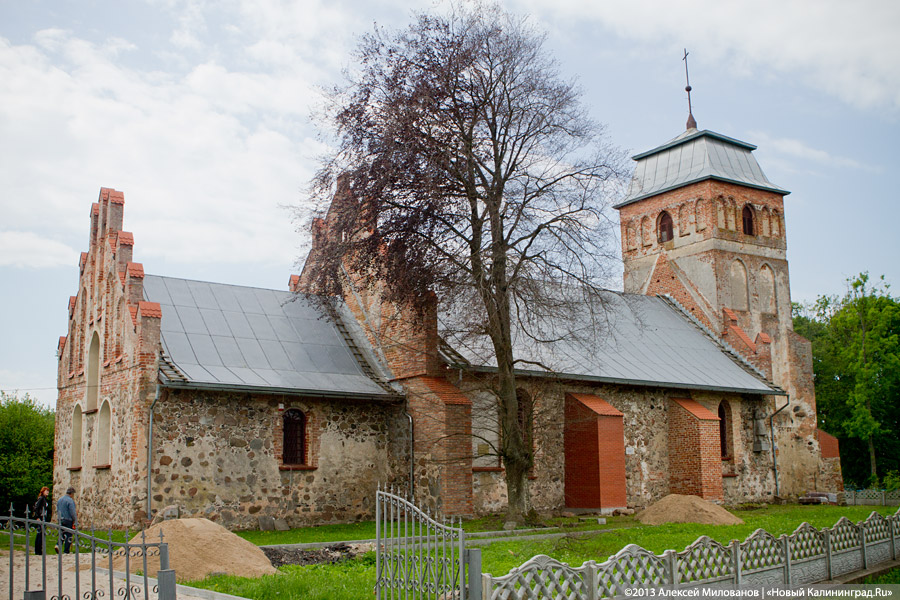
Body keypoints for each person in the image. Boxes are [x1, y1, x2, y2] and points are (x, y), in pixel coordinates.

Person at [57, 487, 77, 554]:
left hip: (60, 519)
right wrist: (75, 520)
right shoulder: (70, 501)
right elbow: (72, 512)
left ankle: (58, 545)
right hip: (68, 519)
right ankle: (66, 550)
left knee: (61, 534)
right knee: (69, 535)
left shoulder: (60, 500)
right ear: (71, 494)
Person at [33, 486, 52, 555]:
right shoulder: (41, 498)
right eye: (46, 491)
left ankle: (39, 549)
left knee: (41, 534)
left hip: (44, 517)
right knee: (39, 534)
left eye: (48, 491)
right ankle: (37, 550)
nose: (47, 492)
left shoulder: (45, 499)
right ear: (43, 491)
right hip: (41, 518)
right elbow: (36, 507)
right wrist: (37, 517)